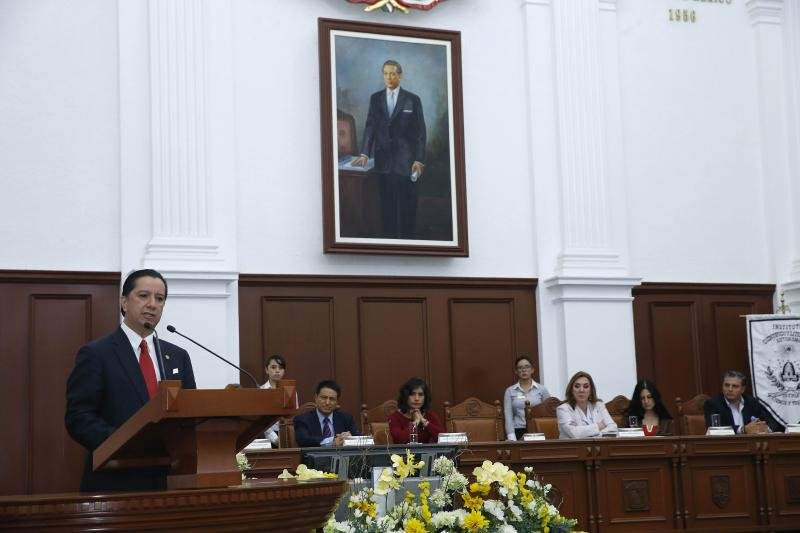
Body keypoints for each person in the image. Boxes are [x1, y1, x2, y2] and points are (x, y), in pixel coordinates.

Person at [65, 269, 196, 492]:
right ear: (124, 302)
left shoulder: (177, 356)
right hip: (115, 480)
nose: (152, 304)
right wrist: (127, 442)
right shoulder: (96, 354)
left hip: (171, 481)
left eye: (160, 298)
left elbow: (190, 415)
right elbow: (79, 418)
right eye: (143, 296)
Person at [353, 59, 426, 239]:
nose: (389, 77)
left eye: (392, 73)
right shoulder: (375, 99)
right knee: (387, 208)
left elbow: (420, 133)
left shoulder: (412, 100)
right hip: (383, 162)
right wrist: (364, 153)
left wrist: (419, 159)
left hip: (407, 163)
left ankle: (408, 242)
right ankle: (389, 242)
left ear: (400, 76)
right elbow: (370, 126)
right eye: (385, 74)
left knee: (407, 208)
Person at [703, 370, 783, 434]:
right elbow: (715, 429)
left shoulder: (752, 402)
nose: (730, 389)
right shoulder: (712, 404)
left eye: (735, 386)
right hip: (726, 445)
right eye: (726, 385)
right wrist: (743, 429)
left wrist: (765, 428)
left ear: (743, 389)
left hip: (751, 446)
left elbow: (773, 423)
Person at [293, 380, 359, 447]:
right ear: (316, 398)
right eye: (324, 398)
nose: (327, 403)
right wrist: (332, 441)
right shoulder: (303, 419)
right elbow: (303, 440)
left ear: (337, 402)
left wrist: (350, 438)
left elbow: (360, 439)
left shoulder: (346, 418)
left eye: (332, 399)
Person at [557, 371, 618, 439]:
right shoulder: (563, 409)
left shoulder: (599, 405)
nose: (581, 390)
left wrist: (588, 434)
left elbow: (613, 428)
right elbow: (574, 433)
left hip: (598, 445)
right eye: (577, 386)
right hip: (573, 446)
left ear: (591, 390)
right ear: (571, 390)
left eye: (586, 386)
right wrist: (599, 426)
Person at [503, 356, 551, 440]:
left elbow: (548, 412)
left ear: (532, 370)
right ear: (516, 371)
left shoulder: (542, 389)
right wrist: (511, 437)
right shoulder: (510, 391)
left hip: (537, 429)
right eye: (520, 367)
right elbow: (508, 416)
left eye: (527, 366)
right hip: (518, 430)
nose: (524, 370)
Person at [388, 377, 444, 444]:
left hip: (426, 450)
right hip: (403, 451)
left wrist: (424, 421)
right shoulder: (395, 417)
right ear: (405, 396)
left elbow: (443, 439)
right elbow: (399, 440)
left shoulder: (430, 415)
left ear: (425, 398)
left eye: (420, 395)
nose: (417, 398)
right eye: (412, 394)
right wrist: (416, 422)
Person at [260, 354, 287, 446]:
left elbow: (294, 417)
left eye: (281, 368)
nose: (277, 371)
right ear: (266, 370)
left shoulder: (290, 391)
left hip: (286, 434)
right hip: (266, 437)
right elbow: (261, 420)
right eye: (273, 367)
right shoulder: (261, 391)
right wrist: (275, 439)